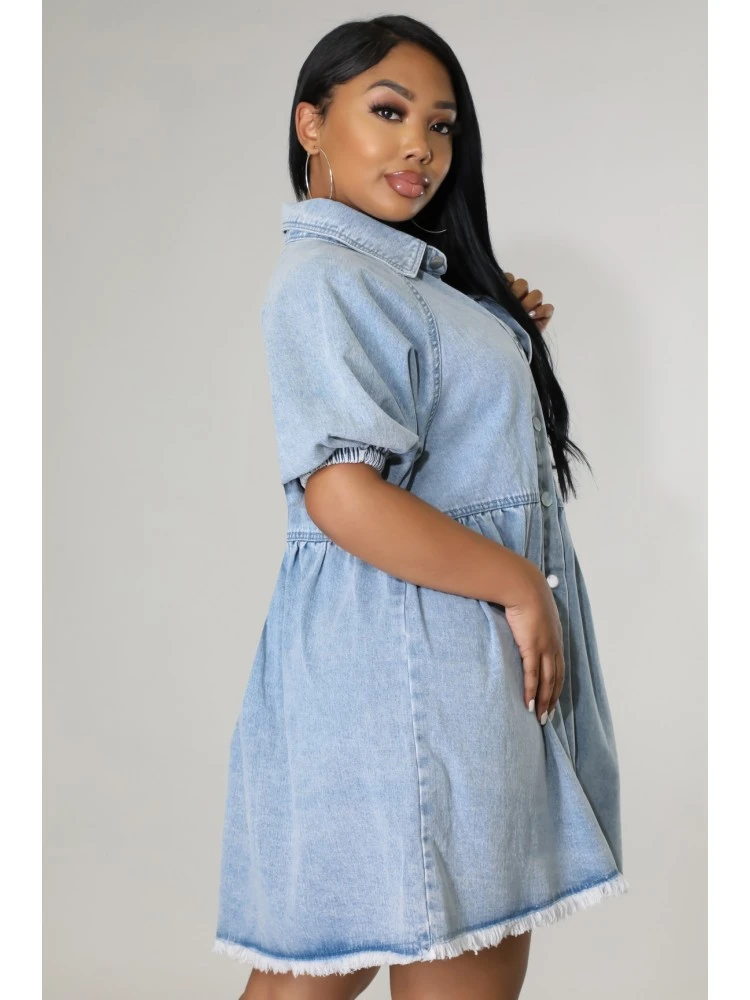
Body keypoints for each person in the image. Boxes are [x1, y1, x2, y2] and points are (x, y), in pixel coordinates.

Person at [213, 14, 630, 1000]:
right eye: (389, 112)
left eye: (441, 126)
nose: (421, 147)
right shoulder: (328, 276)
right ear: (311, 124)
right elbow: (342, 495)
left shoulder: (397, 277)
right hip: (419, 664)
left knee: (317, 968)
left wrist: (487, 316)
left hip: (429, 661)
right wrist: (520, 585)